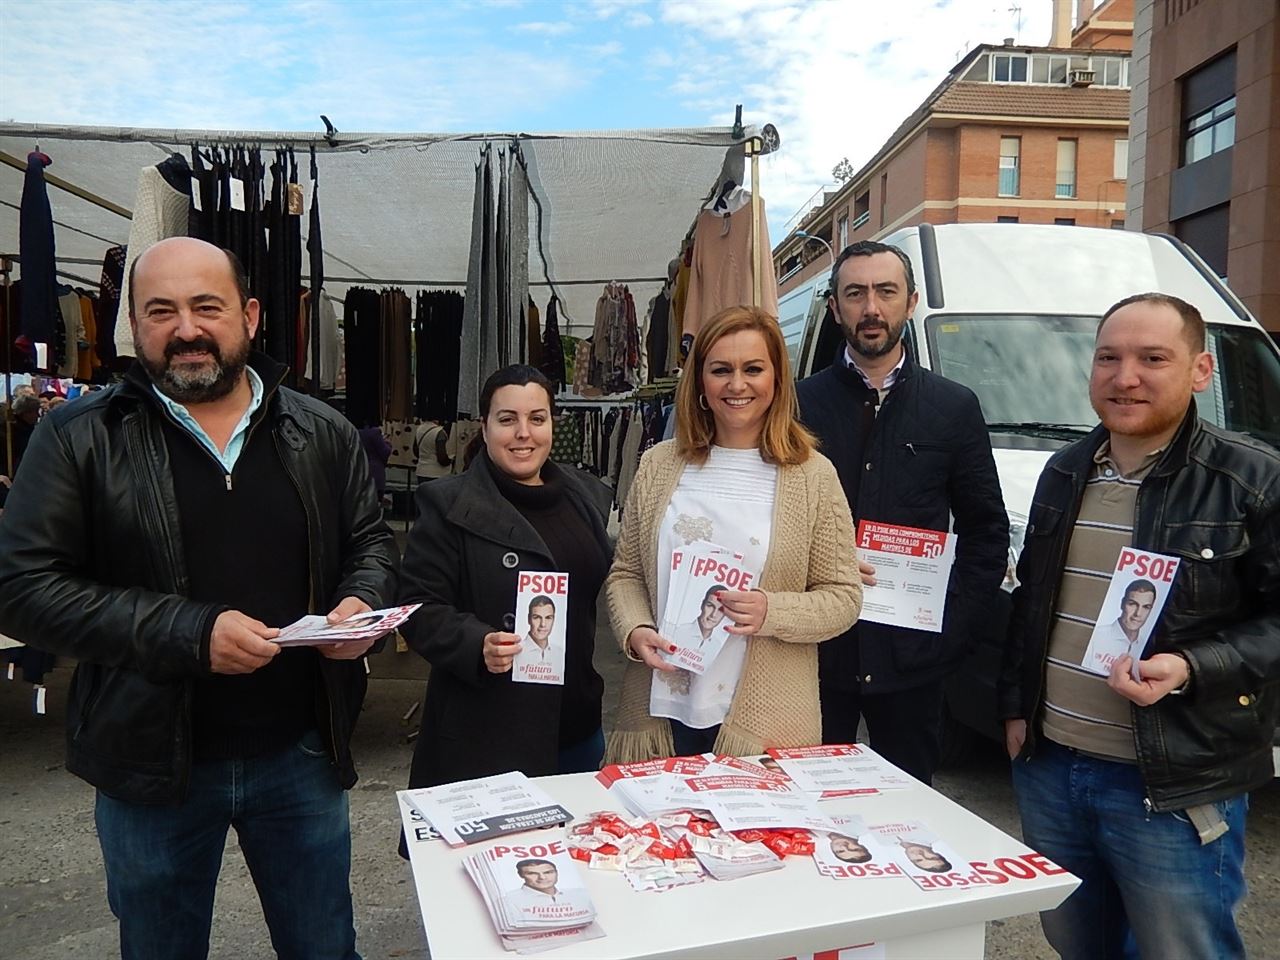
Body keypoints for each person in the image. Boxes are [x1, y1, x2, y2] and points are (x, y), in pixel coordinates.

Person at [0, 237, 399, 960]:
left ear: (248, 315)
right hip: (151, 767)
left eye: (206, 307)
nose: (186, 329)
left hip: (301, 752)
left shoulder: (321, 431)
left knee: (323, 946)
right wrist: (189, 632)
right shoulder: (78, 436)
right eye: (161, 311)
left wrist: (358, 604)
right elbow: (22, 589)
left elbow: (371, 543)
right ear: (134, 325)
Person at [999, 292, 1280, 960]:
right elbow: (1031, 602)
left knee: (1181, 949)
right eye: (1109, 358)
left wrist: (1190, 667)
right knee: (1075, 939)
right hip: (1052, 766)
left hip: (1171, 780)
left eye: (1153, 358)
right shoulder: (1064, 471)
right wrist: (1015, 710)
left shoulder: (1251, 480)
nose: (1126, 376)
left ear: (1201, 371)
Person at [604, 305, 862, 762]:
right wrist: (636, 628)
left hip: (764, 724)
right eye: (721, 369)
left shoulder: (812, 476)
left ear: (777, 380)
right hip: (664, 711)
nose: (737, 384)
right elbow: (625, 574)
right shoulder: (659, 465)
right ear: (700, 382)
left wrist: (771, 610)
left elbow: (844, 597)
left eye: (753, 369)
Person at [796, 239, 1009, 785]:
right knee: (810, 809)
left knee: (909, 816)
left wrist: (952, 629)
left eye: (886, 292)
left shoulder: (953, 407)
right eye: (856, 293)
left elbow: (986, 531)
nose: (872, 308)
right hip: (814, 657)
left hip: (912, 660)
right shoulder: (798, 406)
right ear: (836, 307)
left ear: (910, 302)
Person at [399, 364, 614, 790]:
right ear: (484, 426)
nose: (523, 433)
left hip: (579, 728)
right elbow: (418, 607)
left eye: (537, 418)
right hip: (490, 736)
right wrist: (476, 642)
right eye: (507, 419)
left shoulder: (587, 497)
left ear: (552, 423)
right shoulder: (447, 504)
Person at [1087, 578, 1158, 669]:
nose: (1138, 613)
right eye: (1132, 604)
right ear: (1122, 604)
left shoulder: (1147, 646)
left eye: (1146, 607)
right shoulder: (1096, 637)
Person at [504, 859, 592, 919]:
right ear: (521, 875)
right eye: (532, 874)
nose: (542, 877)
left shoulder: (579, 894)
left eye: (548, 872)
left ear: (556, 872)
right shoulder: (509, 900)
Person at [413, 417, 452, 484]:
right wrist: (450, 461)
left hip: (421, 470)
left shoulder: (419, 429)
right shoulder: (439, 432)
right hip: (437, 473)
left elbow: (415, 450)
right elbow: (442, 458)